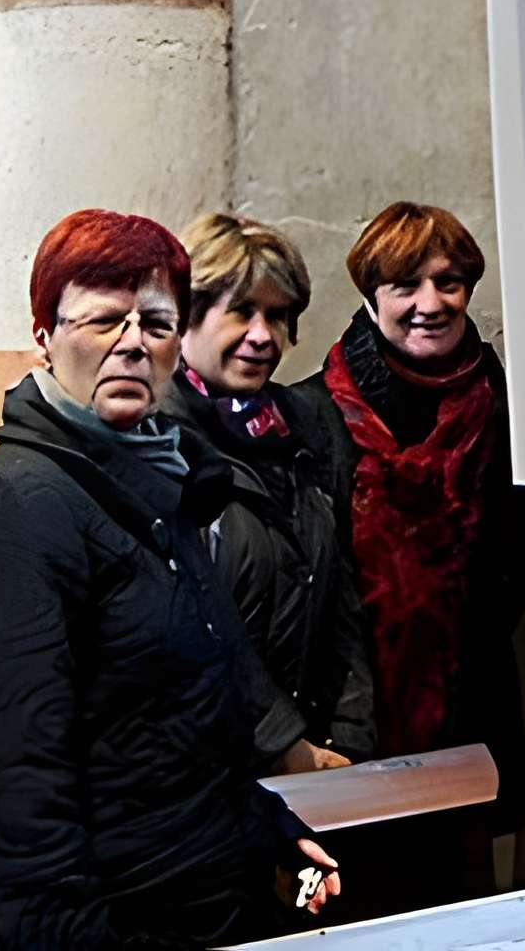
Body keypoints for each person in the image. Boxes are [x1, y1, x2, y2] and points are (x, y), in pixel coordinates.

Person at [0, 211, 340, 948]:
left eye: (155, 323)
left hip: (205, 893)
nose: (131, 344)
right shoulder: (13, 511)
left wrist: (264, 829)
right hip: (117, 914)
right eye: (102, 321)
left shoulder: (166, 480)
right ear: (45, 336)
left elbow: (186, 718)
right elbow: (19, 790)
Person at [287, 204, 525, 838]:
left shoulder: (507, 409)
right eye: (406, 284)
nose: (430, 303)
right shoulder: (310, 415)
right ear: (372, 298)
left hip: (469, 701)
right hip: (351, 717)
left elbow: (522, 553)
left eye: (448, 282)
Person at [163, 210, 376, 768]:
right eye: (242, 313)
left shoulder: (302, 424)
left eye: (277, 316)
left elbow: (341, 600)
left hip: (309, 760)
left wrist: (347, 736)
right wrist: (281, 743)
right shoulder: (154, 442)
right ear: (187, 315)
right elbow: (188, 626)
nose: (263, 336)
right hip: (208, 764)